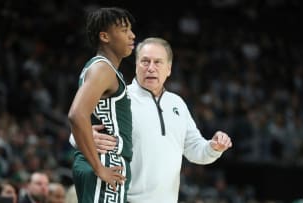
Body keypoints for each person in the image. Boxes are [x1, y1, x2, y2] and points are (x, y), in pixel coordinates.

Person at [89, 37, 233, 202]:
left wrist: (214, 147)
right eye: (145, 61)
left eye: (158, 62)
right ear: (136, 65)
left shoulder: (177, 103)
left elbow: (195, 150)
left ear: (169, 69)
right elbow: (78, 132)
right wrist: (85, 138)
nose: (151, 68)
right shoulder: (118, 99)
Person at [67, 7, 135, 203]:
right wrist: (99, 167)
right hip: (106, 162)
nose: (132, 35)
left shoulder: (99, 67)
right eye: (124, 30)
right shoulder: (103, 68)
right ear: (105, 37)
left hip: (99, 161)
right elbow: (76, 114)